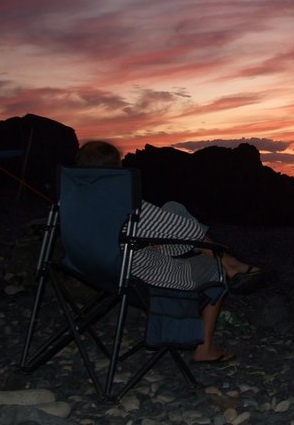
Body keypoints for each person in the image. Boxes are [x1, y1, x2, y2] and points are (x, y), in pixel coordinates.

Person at [74, 140, 261, 363]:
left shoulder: (75, 200)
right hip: (138, 273)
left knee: (174, 208)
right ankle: (205, 347)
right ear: (115, 170)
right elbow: (188, 229)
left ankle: (224, 262)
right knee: (214, 268)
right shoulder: (123, 203)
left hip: (92, 264)